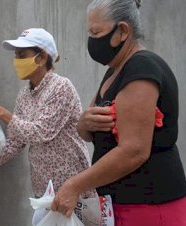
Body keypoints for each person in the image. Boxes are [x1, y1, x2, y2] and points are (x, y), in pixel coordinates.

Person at [51, 0, 186, 225]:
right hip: (120, 205)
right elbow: (87, 129)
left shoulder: (142, 68)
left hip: (149, 205)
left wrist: (75, 185)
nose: (92, 41)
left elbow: (134, 151)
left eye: (96, 32)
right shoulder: (115, 70)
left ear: (122, 31)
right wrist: (84, 123)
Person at [0, 28, 95, 200]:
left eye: (22, 55)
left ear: (42, 57)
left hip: (73, 189)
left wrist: (2, 113)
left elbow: (41, 133)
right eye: (16, 55)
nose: (16, 61)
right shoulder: (24, 95)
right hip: (44, 191)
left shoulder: (61, 87)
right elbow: (16, 141)